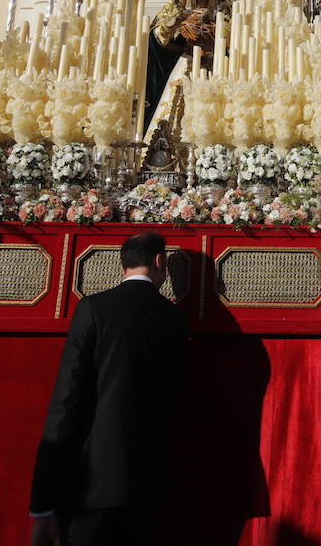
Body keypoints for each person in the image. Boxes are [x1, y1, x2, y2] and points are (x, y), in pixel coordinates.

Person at [30, 232, 189, 546]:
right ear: (161, 262)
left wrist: (43, 503)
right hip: (153, 480)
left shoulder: (94, 308)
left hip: (94, 480)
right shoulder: (176, 319)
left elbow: (68, 399)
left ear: (123, 265)